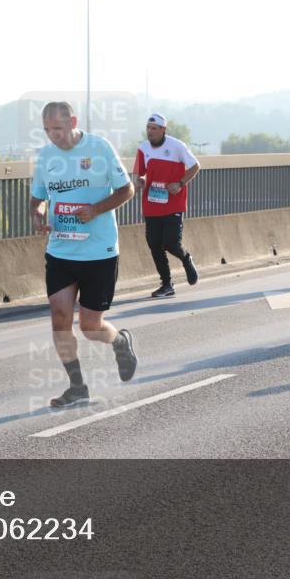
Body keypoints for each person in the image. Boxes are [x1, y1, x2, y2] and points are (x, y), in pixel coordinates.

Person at [29, 101, 138, 407]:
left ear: (73, 122)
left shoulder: (99, 148)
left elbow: (127, 190)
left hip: (99, 252)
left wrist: (96, 210)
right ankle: (77, 387)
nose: (53, 135)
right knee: (59, 316)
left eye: (58, 128)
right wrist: (38, 214)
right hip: (61, 251)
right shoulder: (46, 156)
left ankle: (119, 341)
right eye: (47, 129)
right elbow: (37, 198)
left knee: (90, 327)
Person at [132, 113, 201, 298]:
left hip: (173, 204)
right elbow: (139, 174)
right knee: (155, 245)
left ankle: (186, 259)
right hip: (151, 205)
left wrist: (180, 183)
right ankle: (167, 284)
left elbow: (195, 166)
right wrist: (139, 181)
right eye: (148, 128)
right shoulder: (143, 148)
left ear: (163, 129)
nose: (150, 132)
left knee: (171, 243)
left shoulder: (177, 146)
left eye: (154, 128)